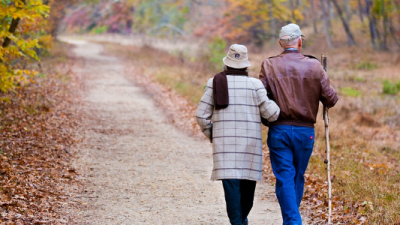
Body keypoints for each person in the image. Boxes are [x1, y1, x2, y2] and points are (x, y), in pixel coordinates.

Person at [258, 23, 339, 225]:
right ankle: (294, 221)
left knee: (286, 178)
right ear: (300, 41)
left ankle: (292, 221)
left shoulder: (268, 65)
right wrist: (322, 77)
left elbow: (260, 97)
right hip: (305, 133)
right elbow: (331, 99)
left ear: (280, 43)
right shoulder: (314, 66)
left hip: (279, 129)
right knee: (295, 177)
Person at [196, 44, 280, 225]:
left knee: (231, 187)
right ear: (246, 65)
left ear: (226, 64)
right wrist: (274, 98)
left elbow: (201, 115)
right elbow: (272, 114)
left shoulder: (214, 82)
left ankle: (237, 221)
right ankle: (240, 220)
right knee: (248, 188)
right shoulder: (255, 85)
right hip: (250, 145)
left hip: (224, 147)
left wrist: (213, 135)